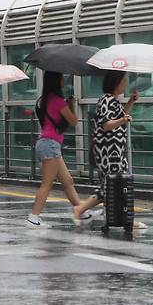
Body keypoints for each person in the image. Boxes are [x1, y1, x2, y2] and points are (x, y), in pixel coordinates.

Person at [72, 71, 139, 224]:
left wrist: (130, 102)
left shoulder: (111, 100)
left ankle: (81, 209)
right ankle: (127, 220)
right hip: (109, 151)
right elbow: (106, 124)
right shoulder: (108, 100)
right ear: (117, 82)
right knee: (117, 184)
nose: (126, 83)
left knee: (108, 186)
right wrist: (123, 120)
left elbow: (119, 116)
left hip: (111, 151)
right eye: (124, 80)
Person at [27, 71, 86, 228]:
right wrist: (72, 105)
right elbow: (73, 121)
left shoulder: (44, 100)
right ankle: (33, 217)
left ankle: (81, 211)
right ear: (55, 80)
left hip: (47, 143)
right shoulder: (58, 101)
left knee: (67, 181)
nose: (63, 79)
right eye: (60, 77)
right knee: (46, 184)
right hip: (50, 144)